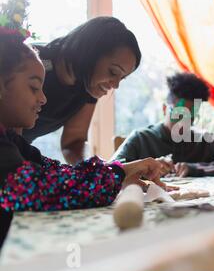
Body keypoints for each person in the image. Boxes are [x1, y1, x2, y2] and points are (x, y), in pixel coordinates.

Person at [0, 15, 163, 222]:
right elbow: (30, 187)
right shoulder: (35, 62)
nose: (43, 98)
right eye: (34, 88)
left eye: (121, 78)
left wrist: (114, 171)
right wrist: (113, 176)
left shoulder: (16, 144)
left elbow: (64, 154)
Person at [22, 16, 141, 165]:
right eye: (113, 72)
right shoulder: (36, 64)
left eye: (122, 78)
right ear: (91, 53)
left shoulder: (88, 86)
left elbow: (73, 142)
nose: (115, 85)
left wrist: (93, 169)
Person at [112, 72, 214, 177]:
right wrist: (144, 168)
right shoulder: (141, 139)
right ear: (165, 109)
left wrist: (194, 169)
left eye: (190, 117)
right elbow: (109, 172)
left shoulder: (203, 143)